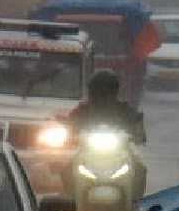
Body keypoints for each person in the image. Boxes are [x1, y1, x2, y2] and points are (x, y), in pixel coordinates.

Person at [63, 69, 147, 197]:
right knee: (66, 169)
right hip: (87, 152)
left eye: (107, 90)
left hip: (119, 152)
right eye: (99, 90)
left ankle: (135, 202)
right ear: (92, 90)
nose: (103, 94)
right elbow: (71, 124)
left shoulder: (124, 109)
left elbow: (137, 125)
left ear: (114, 91)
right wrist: (70, 135)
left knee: (140, 169)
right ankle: (72, 201)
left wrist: (138, 134)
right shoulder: (83, 110)